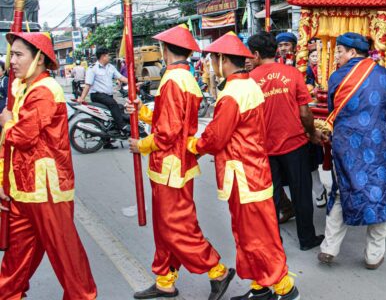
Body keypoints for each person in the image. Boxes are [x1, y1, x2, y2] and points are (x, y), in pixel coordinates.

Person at [125, 26, 235, 299]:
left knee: (176, 227)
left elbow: (167, 131)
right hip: (173, 163)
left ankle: (217, 270)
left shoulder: (173, 80)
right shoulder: (184, 78)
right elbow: (168, 119)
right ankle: (165, 280)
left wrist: (142, 145)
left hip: (170, 164)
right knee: (166, 227)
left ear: (165, 50)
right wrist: (142, 111)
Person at [188, 33, 299, 300]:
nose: (212, 63)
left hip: (244, 173)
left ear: (222, 59)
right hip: (252, 169)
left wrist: (193, 146)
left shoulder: (233, 93)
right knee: (248, 234)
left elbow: (216, 137)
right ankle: (261, 286)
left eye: (213, 58)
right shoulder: (247, 85)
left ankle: (285, 287)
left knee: (256, 235)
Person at [0, 32, 97, 298]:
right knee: (16, 254)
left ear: (39, 59)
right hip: (24, 187)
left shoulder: (45, 90)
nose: (13, 61)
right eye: (12, 54)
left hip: (47, 189)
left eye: (19, 55)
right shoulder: (25, 87)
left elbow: (22, 135)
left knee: (65, 255)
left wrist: (6, 122)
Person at [316, 32, 386, 269]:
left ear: (352, 52)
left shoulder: (336, 78)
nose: (337, 57)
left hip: (345, 145)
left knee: (342, 191)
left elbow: (333, 109)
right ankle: (374, 255)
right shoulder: (385, 75)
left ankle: (329, 248)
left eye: (340, 52)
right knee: (379, 193)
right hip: (378, 144)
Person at [247, 32, 325, 251]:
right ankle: (307, 239)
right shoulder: (292, 74)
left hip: (264, 148)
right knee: (301, 194)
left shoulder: (250, 80)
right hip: (295, 144)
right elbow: (305, 112)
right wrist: (311, 133)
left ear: (255, 54)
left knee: (269, 198)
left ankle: (274, 244)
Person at [77, 47, 129, 149]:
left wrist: (133, 83)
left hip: (108, 95)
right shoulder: (93, 69)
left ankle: (107, 142)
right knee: (113, 104)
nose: (109, 57)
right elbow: (88, 85)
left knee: (119, 108)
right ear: (103, 56)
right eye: (108, 55)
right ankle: (122, 126)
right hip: (97, 95)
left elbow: (121, 78)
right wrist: (82, 98)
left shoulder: (111, 67)